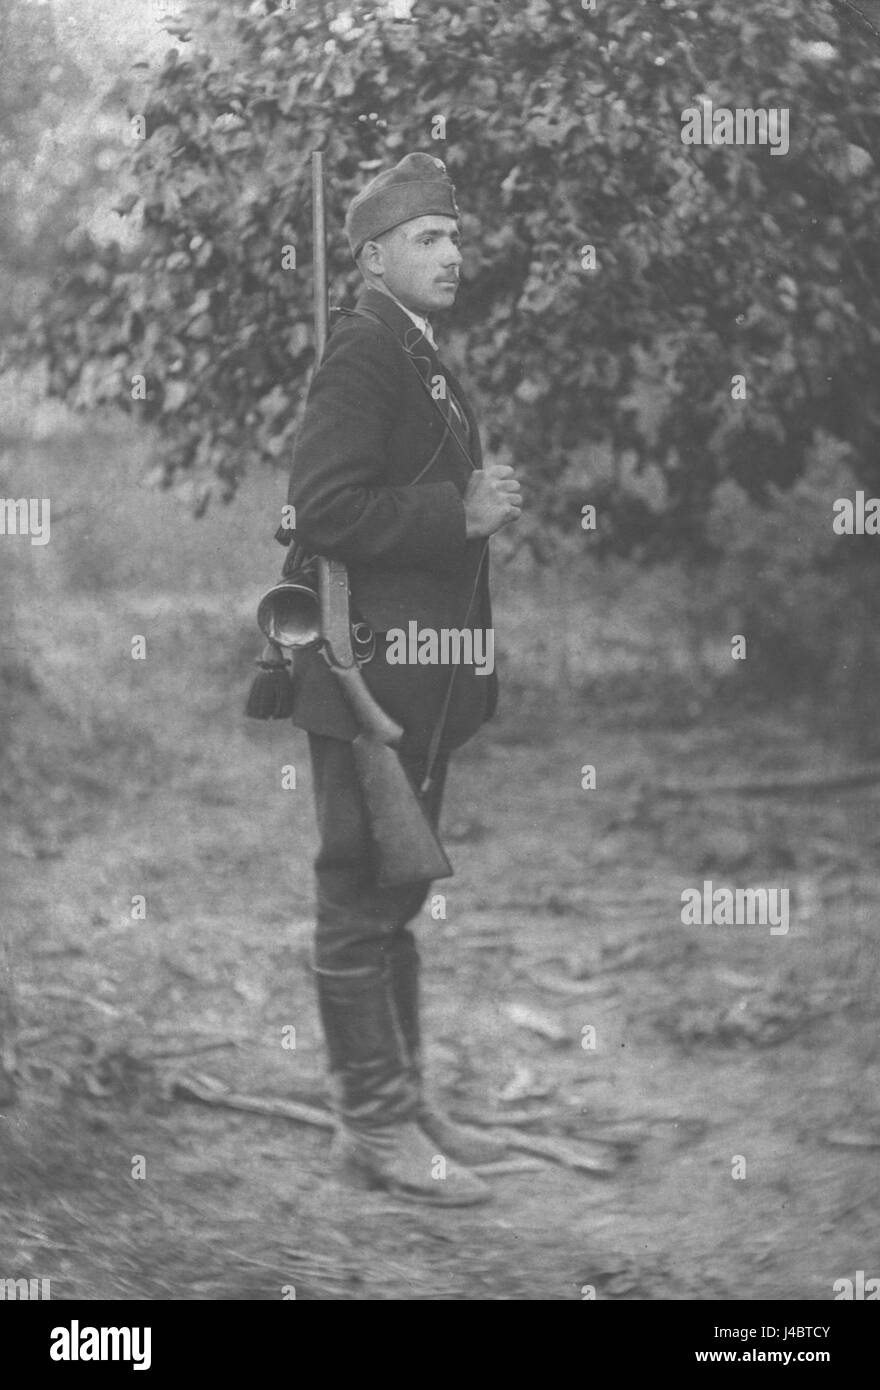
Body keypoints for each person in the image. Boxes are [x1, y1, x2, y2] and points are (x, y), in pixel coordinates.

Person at [283, 151, 522, 1205]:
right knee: (356, 888)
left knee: (399, 885)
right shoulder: (365, 355)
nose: (452, 254)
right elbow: (321, 510)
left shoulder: (418, 350)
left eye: (455, 236)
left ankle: (405, 1100)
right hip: (364, 673)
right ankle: (371, 1126)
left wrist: (471, 501)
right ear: (373, 256)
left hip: (418, 680)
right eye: (428, 238)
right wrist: (455, 514)